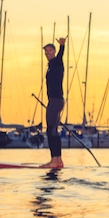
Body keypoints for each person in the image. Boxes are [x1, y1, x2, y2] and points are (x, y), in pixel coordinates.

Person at [42, 37, 66, 168]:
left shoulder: (57, 62)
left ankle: (54, 160)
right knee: (53, 131)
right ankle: (58, 161)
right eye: (46, 51)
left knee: (50, 130)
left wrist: (62, 46)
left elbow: (61, 55)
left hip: (55, 101)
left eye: (50, 50)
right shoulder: (50, 66)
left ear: (54, 51)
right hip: (56, 100)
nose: (47, 53)